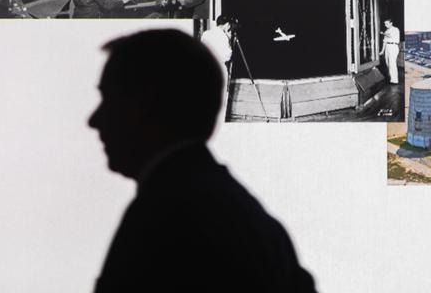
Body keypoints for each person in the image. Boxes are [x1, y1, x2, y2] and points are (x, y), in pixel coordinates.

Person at [88, 30, 316, 292]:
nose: (94, 120)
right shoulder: (260, 226)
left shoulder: (161, 215)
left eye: (109, 99)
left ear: (148, 104)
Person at [380, 19, 401, 84]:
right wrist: (382, 51)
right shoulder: (386, 31)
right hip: (387, 47)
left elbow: (390, 36)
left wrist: (383, 33)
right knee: (387, 62)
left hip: (393, 46)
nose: (385, 25)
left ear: (391, 23)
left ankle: (394, 80)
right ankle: (391, 77)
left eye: (387, 23)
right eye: (385, 24)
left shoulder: (395, 29)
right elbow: (385, 42)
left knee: (392, 63)